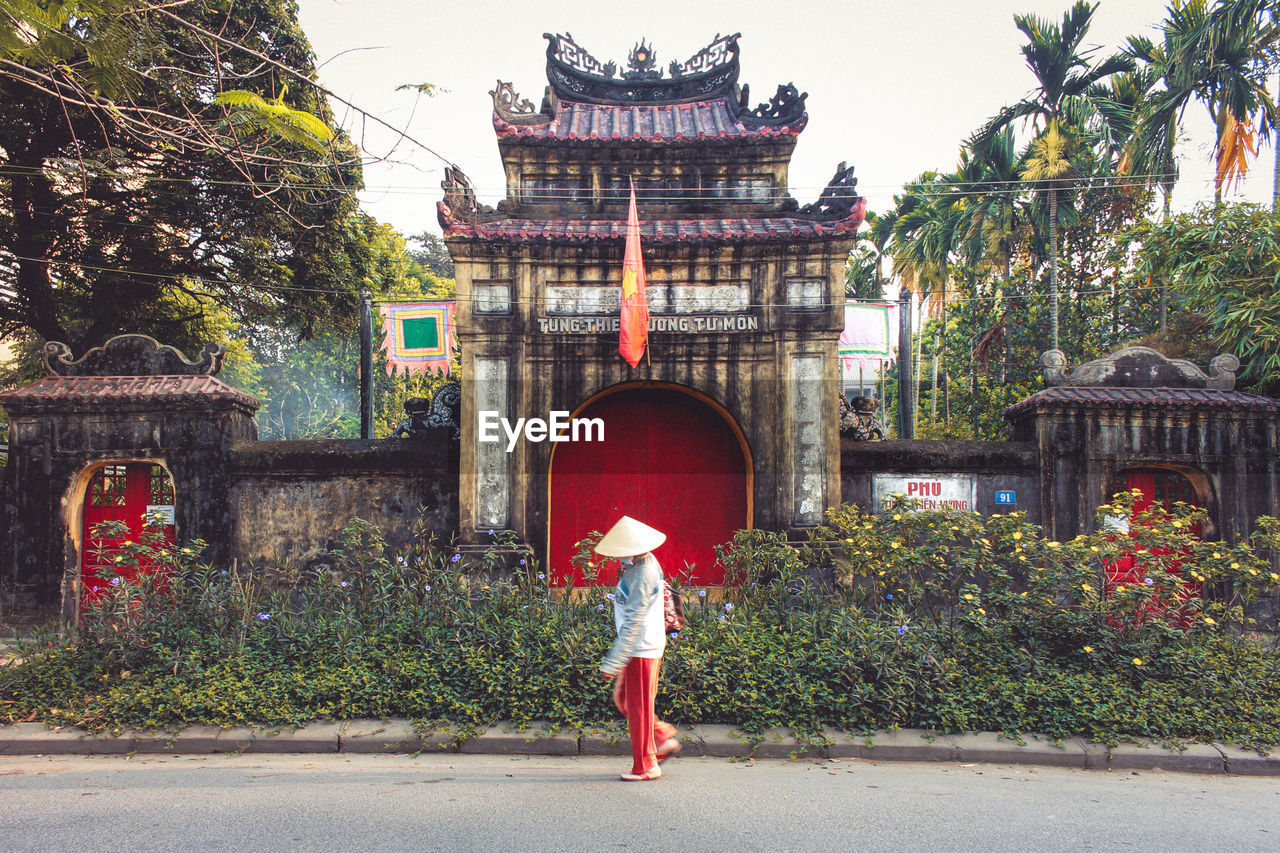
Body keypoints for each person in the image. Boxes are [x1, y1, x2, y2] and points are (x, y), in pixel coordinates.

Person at [597, 515, 681, 781]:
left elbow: (633, 622)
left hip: (641, 648)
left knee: (638, 708)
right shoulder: (643, 563)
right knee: (626, 700)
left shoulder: (641, 573)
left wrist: (613, 662)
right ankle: (662, 739)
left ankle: (646, 765)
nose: (618, 557)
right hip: (641, 646)